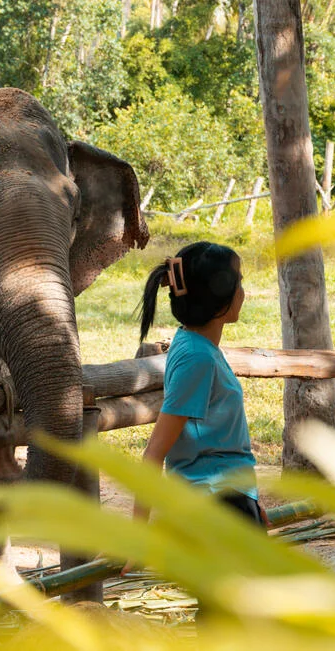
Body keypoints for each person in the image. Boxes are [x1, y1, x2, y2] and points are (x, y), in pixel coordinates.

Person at [124, 241, 265, 574]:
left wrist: (249, 499)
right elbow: (154, 453)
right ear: (220, 298)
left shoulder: (191, 342)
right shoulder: (197, 358)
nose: (243, 291)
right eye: (239, 282)